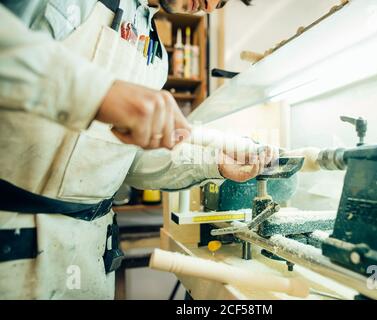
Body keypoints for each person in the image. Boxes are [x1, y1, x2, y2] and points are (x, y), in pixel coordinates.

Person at [0, 0, 269, 299]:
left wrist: (213, 164)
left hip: (89, 255)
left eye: (219, 5)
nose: (208, 6)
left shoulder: (155, 59)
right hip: (14, 242)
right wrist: (99, 93)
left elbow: (133, 161)